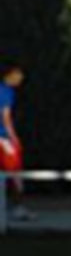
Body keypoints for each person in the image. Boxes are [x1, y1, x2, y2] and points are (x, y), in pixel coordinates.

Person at [0, 62, 31, 220]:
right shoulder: (7, 92)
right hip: (3, 138)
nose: (20, 79)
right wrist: (13, 137)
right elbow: (5, 117)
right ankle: (18, 207)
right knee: (15, 173)